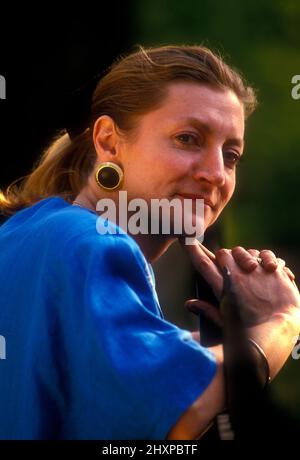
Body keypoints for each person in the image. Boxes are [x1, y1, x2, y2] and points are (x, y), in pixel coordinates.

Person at [0, 45, 299, 440]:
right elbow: (179, 411)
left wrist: (210, 344)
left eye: (231, 156)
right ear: (108, 142)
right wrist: (280, 323)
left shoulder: (30, 234)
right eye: (188, 138)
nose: (215, 174)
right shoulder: (93, 245)